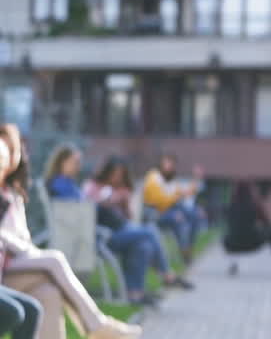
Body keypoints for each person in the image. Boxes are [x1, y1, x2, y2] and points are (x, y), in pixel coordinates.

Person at [0, 125, 143, 339]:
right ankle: (96, 325)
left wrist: (26, 249)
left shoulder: (12, 194)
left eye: (12, 149)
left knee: (49, 293)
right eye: (4, 151)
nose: (9, 156)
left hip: (18, 262)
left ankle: (96, 326)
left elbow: (22, 236)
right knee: (55, 260)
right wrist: (26, 250)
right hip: (7, 268)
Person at [70, 155, 195, 302]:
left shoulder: (123, 189)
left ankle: (135, 294)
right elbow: (86, 208)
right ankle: (167, 275)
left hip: (120, 231)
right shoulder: (92, 185)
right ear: (107, 172)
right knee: (149, 232)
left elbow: (128, 218)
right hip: (103, 236)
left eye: (121, 175)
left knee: (143, 245)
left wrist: (123, 204)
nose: (117, 178)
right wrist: (108, 200)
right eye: (115, 174)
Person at [140, 155, 202, 264]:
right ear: (161, 164)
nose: (169, 166)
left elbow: (185, 193)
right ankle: (184, 252)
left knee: (194, 215)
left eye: (171, 164)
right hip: (156, 213)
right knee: (178, 218)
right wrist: (175, 200)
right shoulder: (153, 177)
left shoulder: (172, 180)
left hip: (170, 210)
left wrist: (196, 178)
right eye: (167, 163)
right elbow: (158, 201)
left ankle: (188, 248)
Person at [221, 181, 271, 276]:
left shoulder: (230, 207)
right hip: (252, 243)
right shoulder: (255, 206)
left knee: (224, 236)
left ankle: (233, 261)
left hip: (231, 244)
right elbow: (267, 223)